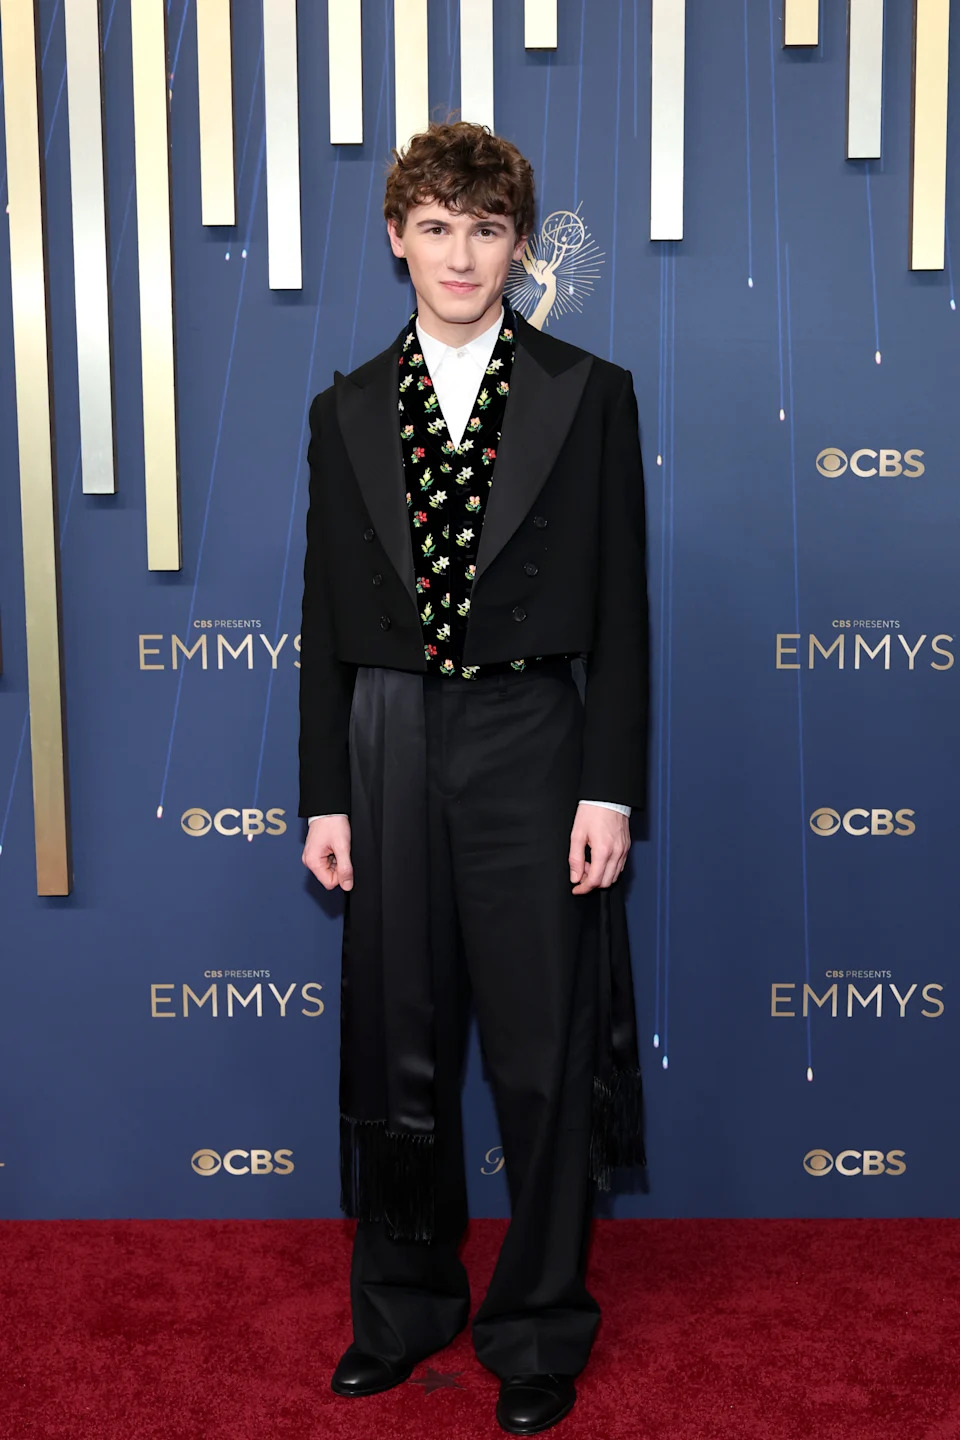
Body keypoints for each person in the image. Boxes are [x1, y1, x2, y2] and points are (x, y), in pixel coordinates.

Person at [298, 121, 649, 1436]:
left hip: (532, 743)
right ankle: (400, 1308)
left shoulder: (589, 391)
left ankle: (540, 1324)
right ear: (397, 236)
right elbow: (324, 616)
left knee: (544, 1056)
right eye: (435, 226)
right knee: (397, 1051)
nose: (460, 252)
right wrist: (323, 792)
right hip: (386, 735)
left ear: (520, 245)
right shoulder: (341, 409)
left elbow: (623, 610)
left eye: (486, 228)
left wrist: (607, 787)